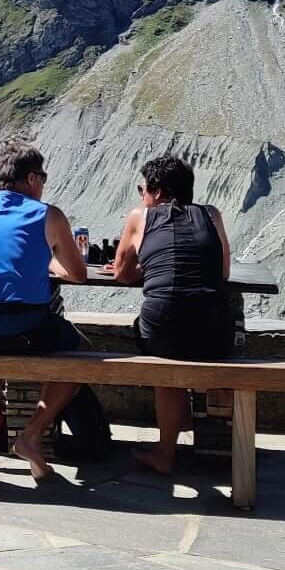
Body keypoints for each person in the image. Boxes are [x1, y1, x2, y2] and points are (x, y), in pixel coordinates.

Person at [0, 142, 89, 481]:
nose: (44, 185)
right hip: (24, 329)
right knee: (81, 352)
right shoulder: (49, 214)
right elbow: (78, 274)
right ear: (31, 178)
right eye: (42, 177)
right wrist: (50, 264)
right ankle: (32, 434)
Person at [112, 154, 232, 475]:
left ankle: (165, 453)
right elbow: (221, 272)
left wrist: (151, 266)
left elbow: (121, 274)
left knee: (166, 356)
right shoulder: (212, 215)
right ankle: (188, 423)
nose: (141, 196)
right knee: (183, 337)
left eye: (143, 189)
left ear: (157, 192)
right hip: (215, 331)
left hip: (163, 328)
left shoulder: (141, 217)